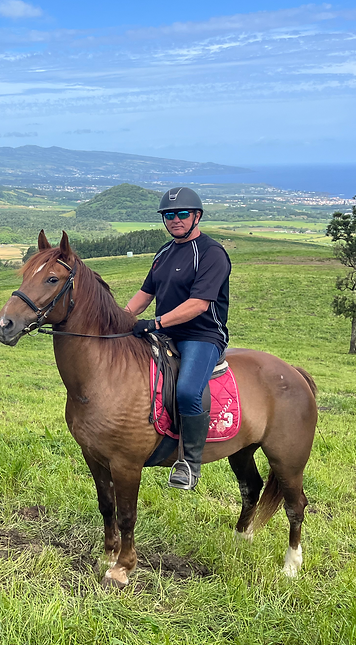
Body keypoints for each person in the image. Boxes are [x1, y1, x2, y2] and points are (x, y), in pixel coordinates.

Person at [124, 186, 231, 490]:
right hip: (164, 334)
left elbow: (199, 304)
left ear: (197, 216)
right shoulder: (164, 252)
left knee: (186, 390)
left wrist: (156, 323)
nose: (175, 219)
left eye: (182, 213)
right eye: (169, 215)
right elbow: (145, 294)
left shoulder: (211, 253)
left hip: (201, 335)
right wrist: (121, 318)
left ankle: (189, 463)